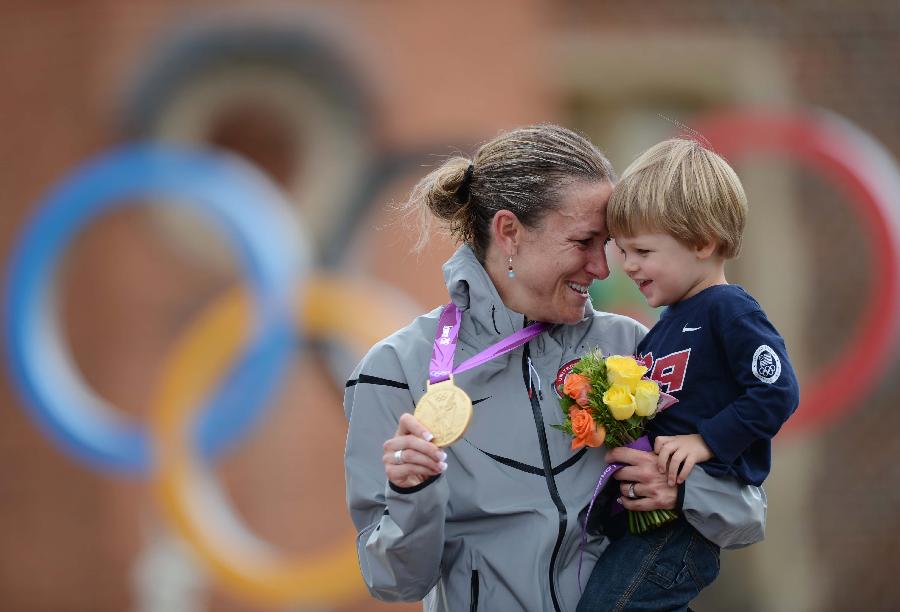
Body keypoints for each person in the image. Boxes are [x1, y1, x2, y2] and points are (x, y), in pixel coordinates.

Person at [343, 125, 767, 612]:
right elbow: (393, 582)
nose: (603, 268)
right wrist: (412, 494)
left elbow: (747, 515)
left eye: (608, 245)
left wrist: (685, 489)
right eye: (584, 241)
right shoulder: (395, 370)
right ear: (509, 233)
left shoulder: (631, 346)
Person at [577, 138, 800, 611]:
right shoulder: (664, 325)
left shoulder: (729, 310)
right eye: (623, 249)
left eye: (642, 250)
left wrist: (705, 442)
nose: (628, 265)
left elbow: (776, 391)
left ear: (703, 241)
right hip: (652, 518)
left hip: (685, 528)